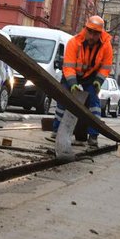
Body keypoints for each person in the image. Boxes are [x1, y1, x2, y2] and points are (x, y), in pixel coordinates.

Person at [46, 15, 113, 147]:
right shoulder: (74, 42)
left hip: (90, 78)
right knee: (64, 100)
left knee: (94, 104)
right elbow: (68, 67)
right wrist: (72, 84)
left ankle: (93, 136)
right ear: (85, 29)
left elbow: (106, 67)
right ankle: (57, 131)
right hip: (72, 76)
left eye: (96, 33)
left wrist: (98, 81)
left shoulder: (106, 46)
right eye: (90, 32)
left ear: (101, 33)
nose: (92, 36)